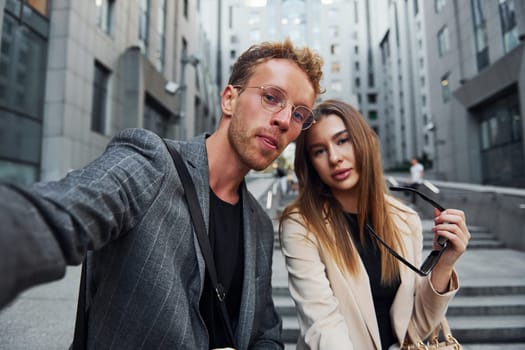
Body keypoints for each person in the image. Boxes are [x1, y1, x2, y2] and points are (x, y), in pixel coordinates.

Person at [0, 39, 324, 349]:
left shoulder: (260, 226)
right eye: (271, 97)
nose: (284, 120)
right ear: (229, 99)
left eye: (299, 114)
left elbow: (265, 333)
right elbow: (56, 215)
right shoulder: (152, 162)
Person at [279, 100, 470, 349]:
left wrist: (444, 264)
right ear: (311, 164)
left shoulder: (404, 220)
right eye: (319, 151)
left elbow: (413, 329)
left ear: (364, 140)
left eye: (342, 140)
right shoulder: (301, 224)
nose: (335, 158)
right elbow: (322, 325)